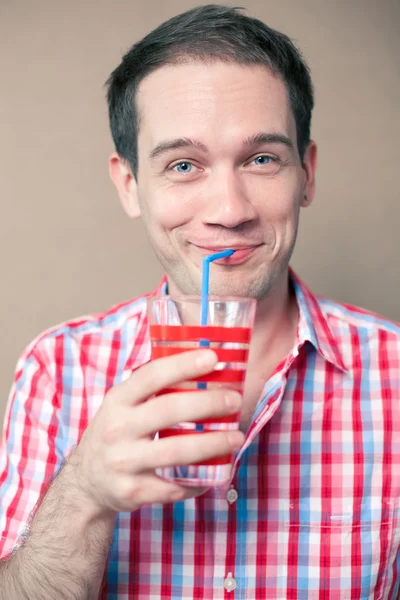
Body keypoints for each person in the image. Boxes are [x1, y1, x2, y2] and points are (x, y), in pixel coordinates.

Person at [1, 4, 399, 599]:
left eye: (262, 159)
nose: (229, 210)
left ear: (306, 174)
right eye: (183, 165)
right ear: (130, 185)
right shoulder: (57, 372)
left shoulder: (395, 371)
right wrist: (84, 492)